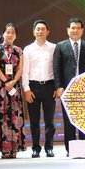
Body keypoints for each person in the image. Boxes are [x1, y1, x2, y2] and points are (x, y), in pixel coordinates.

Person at [53, 17, 85, 155]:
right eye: (73, 28)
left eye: (78, 28)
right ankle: (71, 149)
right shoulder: (60, 46)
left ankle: (84, 148)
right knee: (69, 120)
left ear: (82, 30)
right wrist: (58, 86)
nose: (75, 30)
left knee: (84, 119)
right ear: (68, 30)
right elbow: (56, 68)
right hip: (67, 89)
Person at [0, 23, 25, 159]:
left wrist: (13, 82)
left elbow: (20, 68)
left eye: (12, 32)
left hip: (14, 86)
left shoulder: (18, 50)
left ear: (16, 35)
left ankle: (14, 148)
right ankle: (4, 148)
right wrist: (5, 82)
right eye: (7, 32)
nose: (10, 34)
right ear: (3, 34)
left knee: (14, 115)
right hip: (0, 85)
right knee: (1, 115)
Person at [22, 20, 57, 158]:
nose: (40, 31)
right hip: (33, 87)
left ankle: (49, 147)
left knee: (50, 121)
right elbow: (25, 71)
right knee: (34, 121)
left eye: (43, 29)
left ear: (48, 31)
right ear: (33, 32)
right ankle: (36, 148)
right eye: (38, 29)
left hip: (49, 86)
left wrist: (57, 87)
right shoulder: (28, 49)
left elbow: (56, 69)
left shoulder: (54, 48)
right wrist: (26, 89)